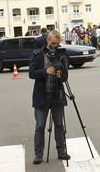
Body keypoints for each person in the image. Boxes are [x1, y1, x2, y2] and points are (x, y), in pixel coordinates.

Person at [29, 30, 71, 164]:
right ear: (48, 40)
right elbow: (31, 73)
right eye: (53, 43)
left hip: (57, 94)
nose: (55, 46)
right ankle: (38, 154)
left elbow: (65, 77)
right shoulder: (37, 54)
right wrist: (45, 71)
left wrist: (61, 74)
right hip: (42, 96)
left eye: (57, 44)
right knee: (40, 126)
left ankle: (62, 151)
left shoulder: (61, 54)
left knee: (59, 124)